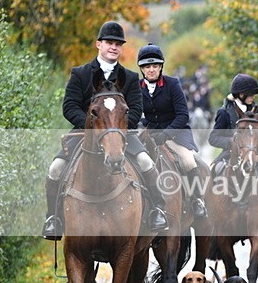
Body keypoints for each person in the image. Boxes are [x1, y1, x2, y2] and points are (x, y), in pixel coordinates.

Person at [42, 21, 168, 240]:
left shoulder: (129, 77)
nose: (114, 47)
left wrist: (116, 128)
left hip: (122, 134)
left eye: (118, 44)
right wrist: (92, 127)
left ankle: (157, 211)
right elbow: (69, 106)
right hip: (83, 133)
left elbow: (136, 110)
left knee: (147, 163)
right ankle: (53, 219)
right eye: (109, 42)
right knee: (55, 169)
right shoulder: (80, 73)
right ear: (98, 44)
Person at [137, 43, 207, 219]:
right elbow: (136, 114)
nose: (151, 70)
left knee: (188, 160)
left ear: (161, 66)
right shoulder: (137, 87)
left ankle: (198, 200)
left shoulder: (172, 84)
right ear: (142, 69)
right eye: (147, 66)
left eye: (155, 66)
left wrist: (167, 134)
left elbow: (183, 115)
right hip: (149, 133)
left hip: (176, 133)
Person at [208, 73, 258, 226]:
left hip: (253, 153)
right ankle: (208, 209)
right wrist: (232, 142)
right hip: (229, 155)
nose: (254, 97)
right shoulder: (224, 112)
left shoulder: (256, 111)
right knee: (212, 171)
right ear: (241, 94)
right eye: (251, 94)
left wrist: (256, 143)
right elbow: (213, 138)